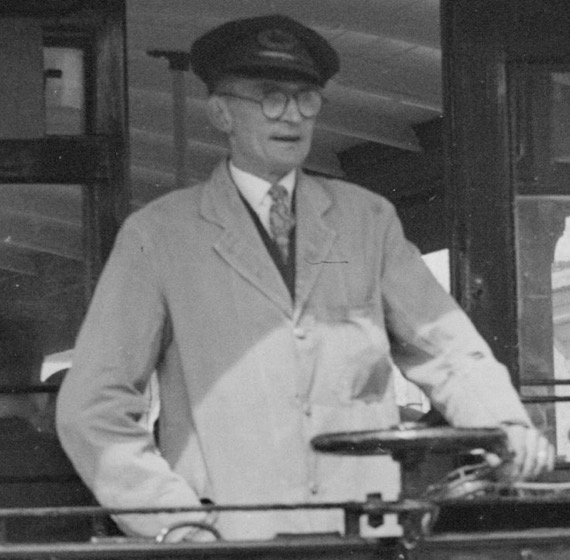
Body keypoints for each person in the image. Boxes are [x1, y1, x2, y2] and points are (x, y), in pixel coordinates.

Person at [56, 14, 554, 542]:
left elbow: (446, 348)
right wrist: (175, 524)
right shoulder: (158, 235)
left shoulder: (368, 220)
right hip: (231, 542)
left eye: (306, 97)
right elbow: (92, 406)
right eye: (270, 97)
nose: (292, 115)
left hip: (366, 535)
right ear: (221, 113)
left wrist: (507, 426)